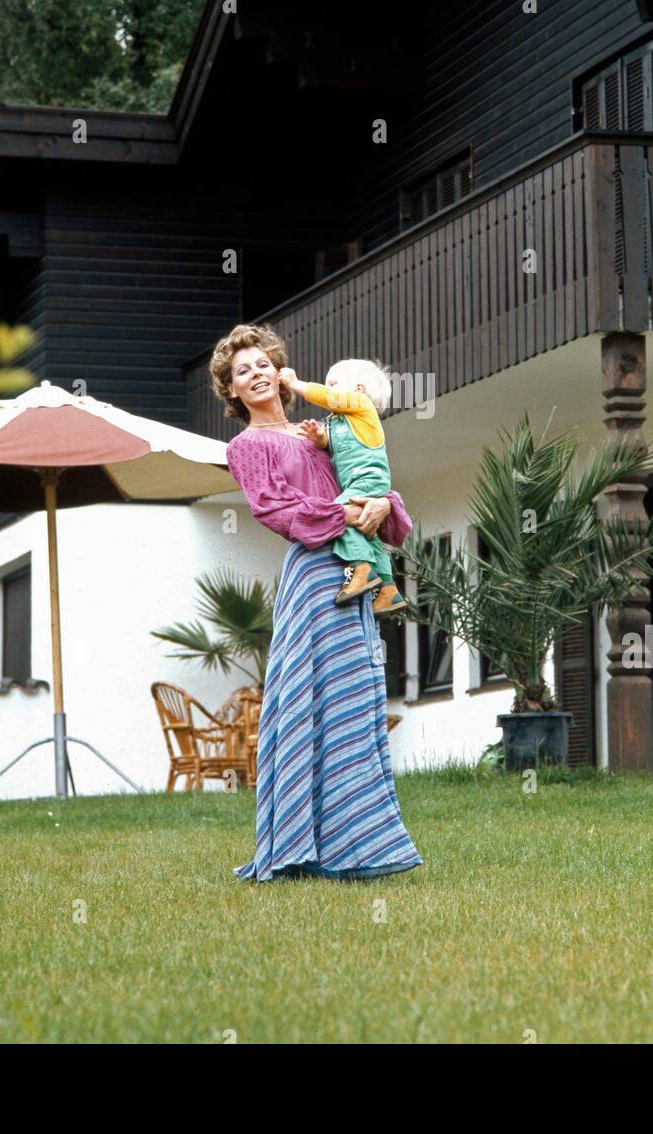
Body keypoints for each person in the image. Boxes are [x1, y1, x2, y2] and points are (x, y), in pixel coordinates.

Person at [211, 322, 423, 883]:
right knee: (308, 702)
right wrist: (350, 514)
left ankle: (358, 847)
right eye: (241, 372)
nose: (254, 376)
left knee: (352, 704)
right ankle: (296, 845)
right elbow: (274, 509)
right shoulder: (247, 446)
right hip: (314, 578)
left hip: (358, 572)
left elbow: (368, 475)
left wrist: (381, 504)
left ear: (280, 373)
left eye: (261, 365)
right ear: (231, 390)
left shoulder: (326, 429)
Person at [277, 359, 408, 617]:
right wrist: (320, 439)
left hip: (368, 479)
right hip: (359, 483)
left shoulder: (361, 405)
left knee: (337, 514)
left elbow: (327, 398)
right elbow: (333, 442)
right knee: (367, 535)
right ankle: (389, 590)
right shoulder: (340, 422)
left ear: (358, 388)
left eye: (334, 384)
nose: (329, 389)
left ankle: (361, 570)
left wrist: (295, 384)